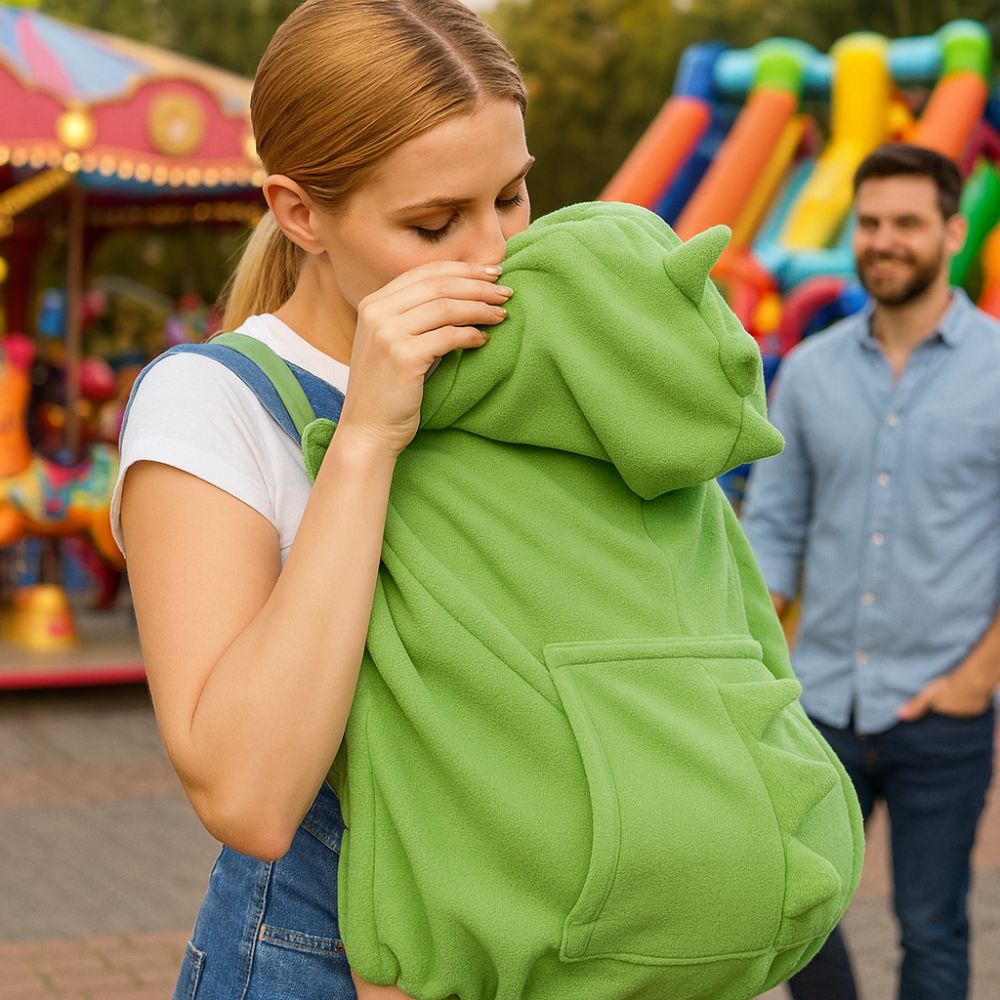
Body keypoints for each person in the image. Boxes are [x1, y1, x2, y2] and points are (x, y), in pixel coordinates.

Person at [113, 1, 529, 997]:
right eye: (433, 223)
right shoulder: (210, 402)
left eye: (513, 196)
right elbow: (248, 793)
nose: (493, 254)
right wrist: (367, 439)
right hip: (314, 967)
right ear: (301, 213)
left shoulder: (523, 376)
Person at [742, 142, 1000, 1000]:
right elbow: (774, 528)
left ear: (953, 232)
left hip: (942, 708)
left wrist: (977, 676)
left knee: (931, 928)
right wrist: (751, 658)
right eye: (870, 222)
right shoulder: (810, 372)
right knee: (792, 912)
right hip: (819, 704)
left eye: (907, 223)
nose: (884, 240)